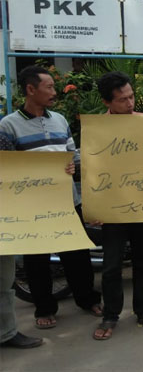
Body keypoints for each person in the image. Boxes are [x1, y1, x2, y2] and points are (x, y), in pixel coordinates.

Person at [0, 66, 102, 329]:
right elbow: (7, 168)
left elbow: (72, 155)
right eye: (49, 88)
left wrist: (75, 166)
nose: (54, 93)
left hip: (68, 201)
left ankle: (87, 299)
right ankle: (44, 309)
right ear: (30, 90)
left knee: (77, 254)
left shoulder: (59, 119)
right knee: (37, 261)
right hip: (32, 207)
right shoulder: (8, 125)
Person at [92, 71, 143, 340]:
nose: (130, 103)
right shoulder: (97, 130)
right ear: (106, 102)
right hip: (113, 210)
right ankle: (110, 315)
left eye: (132, 96)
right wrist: (96, 207)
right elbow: (93, 170)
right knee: (111, 266)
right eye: (123, 100)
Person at [0, 136, 43, 349]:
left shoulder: (1, 140)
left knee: (3, 281)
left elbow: (19, 173)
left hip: (4, 223)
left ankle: (6, 333)